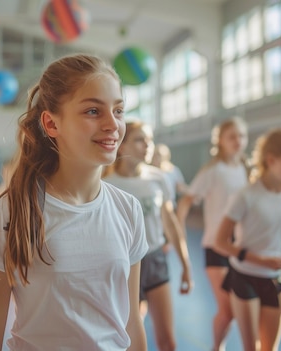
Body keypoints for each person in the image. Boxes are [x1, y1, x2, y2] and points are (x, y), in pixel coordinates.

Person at [0, 54, 148, 351]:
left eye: (118, 110)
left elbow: (130, 324)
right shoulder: (13, 212)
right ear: (51, 123)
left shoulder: (128, 209)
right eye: (93, 110)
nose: (112, 124)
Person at [214, 127, 281, 351]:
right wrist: (258, 260)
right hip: (244, 276)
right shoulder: (245, 196)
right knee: (251, 347)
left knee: (269, 348)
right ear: (271, 159)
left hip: (273, 279)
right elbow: (220, 242)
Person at [104, 120, 192, 351]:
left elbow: (170, 223)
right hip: (124, 265)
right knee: (130, 335)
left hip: (154, 260)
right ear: (121, 146)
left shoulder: (158, 178)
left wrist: (185, 264)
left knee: (168, 341)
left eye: (149, 140)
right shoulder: (106, 184)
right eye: (140, 140)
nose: (147, 145)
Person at [175, 116, 250, 351]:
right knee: (228, 310)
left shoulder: (246, 169)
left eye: (241, 136)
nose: (238, 141)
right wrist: (179, 229)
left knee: (238, 312)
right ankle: (216, 348)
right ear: (220, 141)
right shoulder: (212, 171)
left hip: (240, 246)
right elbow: (187, 200)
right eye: (232, 136)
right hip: (216, 247)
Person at [150, 143, 187, 208]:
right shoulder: (148, 172)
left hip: (170, 206)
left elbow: (180, 188)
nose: (157, 158)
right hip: (154, 207)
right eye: (155, 155)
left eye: (159, 155)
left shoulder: (173, 170)